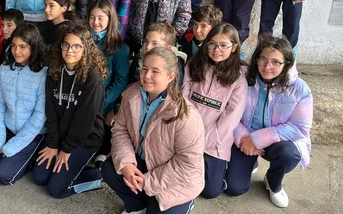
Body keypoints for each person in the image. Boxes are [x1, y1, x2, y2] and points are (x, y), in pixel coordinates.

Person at [102, 47, 205, 214]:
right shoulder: (131, 93)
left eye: (155, 71)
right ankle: (138, 204)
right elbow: (120, 129)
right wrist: (126, 163)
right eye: (144, 68)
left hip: (175, 179)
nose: (147, 75)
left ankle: (185, 202)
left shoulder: (186, 115)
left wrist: (148, 182)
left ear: (171, 77)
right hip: (144, 163)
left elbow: (187, 164)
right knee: (109, 168)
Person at [225, 35, 313, 208]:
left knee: (289, 154)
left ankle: (273, 182)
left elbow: (300, 128)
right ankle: (252, 160)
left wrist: (256, 139)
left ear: (286, 63)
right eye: (263, 59)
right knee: (234, 188)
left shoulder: (299, 88)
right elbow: (228, 110)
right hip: (244, 137)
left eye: (275, 62)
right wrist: (244, 138)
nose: (267, 67)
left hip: (277, 143)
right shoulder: (242, 77)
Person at [34, 24, 107, 198]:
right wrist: (52, 143)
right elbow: (50, 110)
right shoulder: (55, 71)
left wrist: (66, 149)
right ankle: (67, 166)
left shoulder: (92, 79)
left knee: (56, 190)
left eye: (76, 46)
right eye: (66, 45)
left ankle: (96, 176)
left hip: (83, 139)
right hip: (59, 135)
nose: (70, 51)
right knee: (40, 177)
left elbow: (84, 121)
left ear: (85, 49)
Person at [0, 24, 47, 185]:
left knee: (2, 176)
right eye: (13, 46)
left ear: (33, 47)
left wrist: (14, 146)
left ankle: (29, 158)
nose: (16, 51)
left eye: (23, 47)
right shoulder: (5, 69)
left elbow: (40, 114)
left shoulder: (43, 73)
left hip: (31, 135)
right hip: (6, 128)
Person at [182, 23, 248, 198]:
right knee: (183, 179)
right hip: (188, 133)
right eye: (212, 43)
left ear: (234, 47)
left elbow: (231, 116)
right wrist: (187, 132)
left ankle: (222, 172)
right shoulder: (194, 64)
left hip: (215, 142)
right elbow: (184, 99)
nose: (216, 49)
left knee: (210, 191)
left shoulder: (239, 76)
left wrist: (203, 140)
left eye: (223, 45)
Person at [87, 0, 129, 166]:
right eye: (92, 17)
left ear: (110, 19)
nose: (95, 22)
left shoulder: (119, 47)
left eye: (100, 18)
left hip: (103, 100)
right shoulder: (84, 40)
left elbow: (120, 81)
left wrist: (101, 101)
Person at [133, 22, 187, 88]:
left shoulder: (175, 68)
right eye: (146, 42)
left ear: (168, 48)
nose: (148, 47)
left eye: (155, 43)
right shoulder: (138, 59)